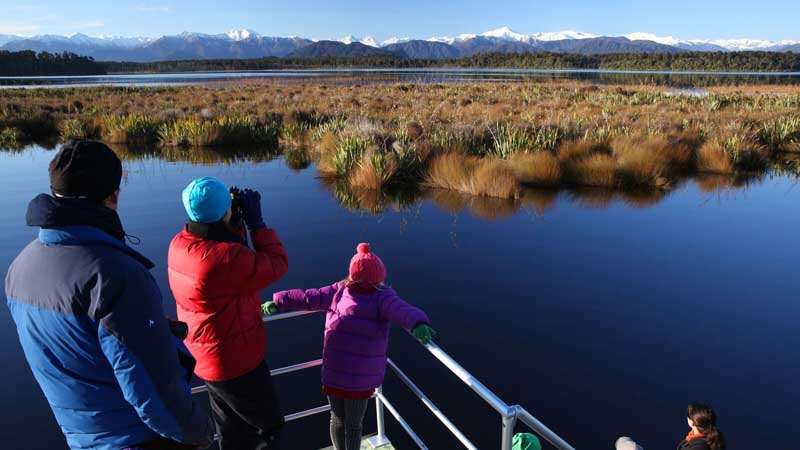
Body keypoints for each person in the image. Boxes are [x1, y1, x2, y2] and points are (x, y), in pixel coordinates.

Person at [4, 139, 214, 450]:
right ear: (113, 195)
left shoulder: (19, 268)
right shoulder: (115, 275)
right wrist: (200, 432)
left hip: (83, 439)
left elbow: (75, 344)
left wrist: (147, 328)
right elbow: (153, 393)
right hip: (141, 438)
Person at [264, 242, 436, 450]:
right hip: (360, 380)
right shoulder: (383, 297)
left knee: (336, 420)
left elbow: (309, 296)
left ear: (352, 274)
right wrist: (418, 323)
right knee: (353, 425)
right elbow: (402, 310)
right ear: (378, 277)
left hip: (335, 373)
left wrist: (280, 302)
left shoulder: (339, 290)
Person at [168, 177, 288, 450]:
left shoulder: (180, 245)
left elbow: (231, 259)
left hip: (206, 359)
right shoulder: (223, 259)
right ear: (224, 212)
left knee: (233, 433)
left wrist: (230, 223)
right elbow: (277, 264)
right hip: (237, 362)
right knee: (269, 428)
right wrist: (258, 225)